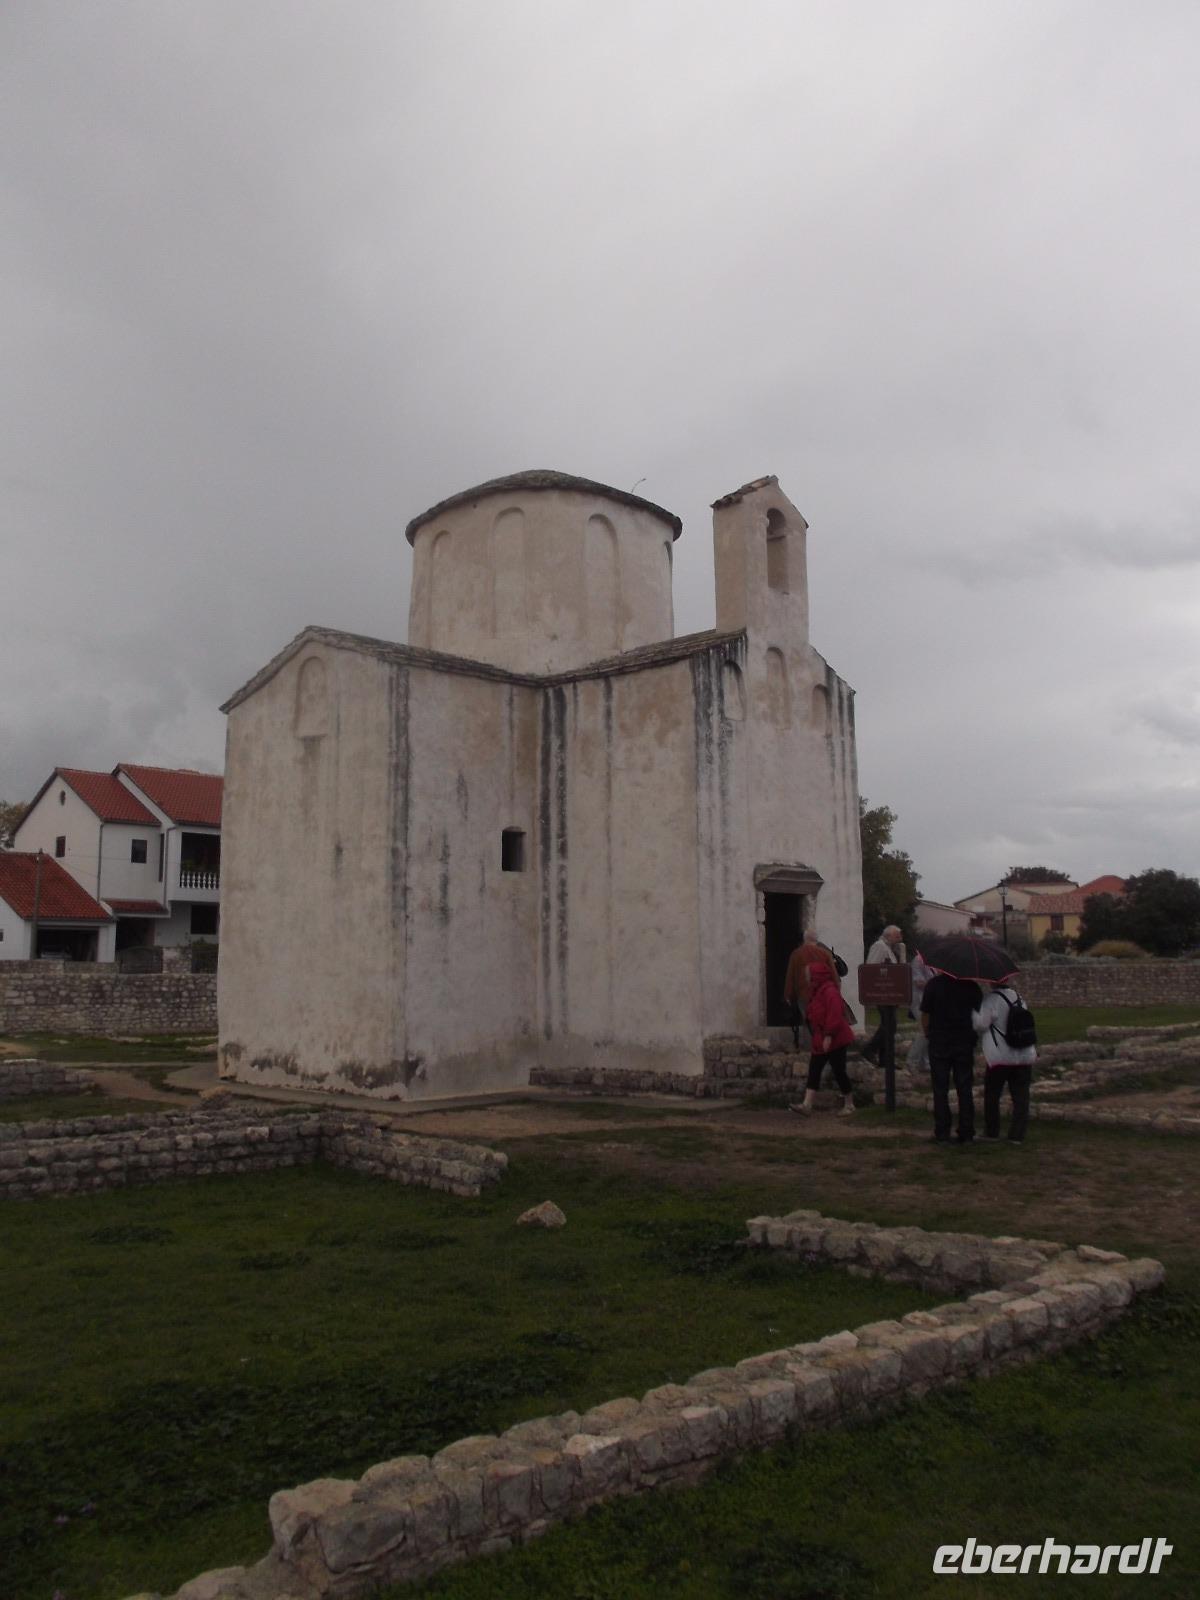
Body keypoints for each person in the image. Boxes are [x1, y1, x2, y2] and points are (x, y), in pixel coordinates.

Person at [920, 970, 982, 1143]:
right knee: (964, 1087)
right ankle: (966, 1131)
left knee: (940, 1088)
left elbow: (925, 1013)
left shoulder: (933, 985)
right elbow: (979, 1012)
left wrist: (927, 1033)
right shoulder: (971, 986)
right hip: (963, 1040)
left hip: (940, 1040)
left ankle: (942, 1132)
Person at [789, 958, 856, 1117]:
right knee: (814, 1069)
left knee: (839, 1070)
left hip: (835, 1038)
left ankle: (850, 1104)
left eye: (808, 975)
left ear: (816, 976)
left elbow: (834, 1015)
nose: (807, 978)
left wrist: (829, 1036)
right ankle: (807, 1104)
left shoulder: (829, 991)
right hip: (821, 1038)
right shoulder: (817, 991)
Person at [973, 980, 1037, 1143]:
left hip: (1000, 1055)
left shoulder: (991, 1000)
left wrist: (973, 1012)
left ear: (991, 982)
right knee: (1021, 1096)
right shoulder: (1019, 998)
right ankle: (1017, 1134)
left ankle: (992, 1131)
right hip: (1023, 1054)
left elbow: (981, 1025)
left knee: (992, 1095)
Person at [860, 925, 906, 1064]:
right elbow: (871, 967)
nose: (899, 939)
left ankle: (885, 1059)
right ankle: (870, 1049)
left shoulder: (890, 948)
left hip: (890, 992)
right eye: (897, 936)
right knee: (889, 1025)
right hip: (882, 992)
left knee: (890, 1025)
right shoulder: (879, 946)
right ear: (889, 935)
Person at [783, 930, 836, 1048]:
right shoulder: (825, 954)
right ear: (816, 940)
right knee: (822, 1020)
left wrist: (788, 995)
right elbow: (834, 975)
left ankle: (812, 1046)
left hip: (804, 994)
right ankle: (823, 1045)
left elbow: (790, 976)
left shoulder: (796, 954)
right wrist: (835, 990)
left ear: (804, 939)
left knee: (808, 1020)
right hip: (823, 994)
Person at [906, 952, 932, 1070]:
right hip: (918, 1000)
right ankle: (912, 1060)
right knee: (924, 1030)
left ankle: (924, 1062)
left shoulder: (931, 961)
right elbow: (918, 981)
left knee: (929, 1030)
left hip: (928, 1001)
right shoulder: (918, 960)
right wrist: (935, 984)